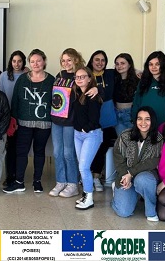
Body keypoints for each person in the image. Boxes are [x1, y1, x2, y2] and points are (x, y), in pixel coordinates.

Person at [3, 49, 55, 194]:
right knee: (21, 152)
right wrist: (14, 120)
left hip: (44, 123)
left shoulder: (52, 80)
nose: (35, 63)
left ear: (44, 61)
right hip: (24, 123)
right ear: (29, 63)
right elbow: (16, 100)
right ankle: (19, 182)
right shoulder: (23, 79)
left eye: (38, 60)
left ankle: (37, 181)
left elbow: (57, 102)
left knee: (39, 152)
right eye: (32, 61)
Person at [111, 106, 163, 221]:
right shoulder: (125, 136)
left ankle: (150, 212)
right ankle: (120, 192)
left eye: (147, 119)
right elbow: (118, 158)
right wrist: (125, 176)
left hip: (146, 175)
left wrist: (131, 173)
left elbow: (153, 161)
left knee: (142, 180)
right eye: (140, 118)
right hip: (125, 175)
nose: (143, 122)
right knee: (123, 212)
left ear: (152, 121)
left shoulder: (158, 138)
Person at [49, 48, 86, 198]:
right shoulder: (59, 76)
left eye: (69, 60)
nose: (66, 63)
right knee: (57, 152)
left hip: (70, 121)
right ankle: (61, 181)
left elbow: (88, 92)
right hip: (56, 119)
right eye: (63, 60)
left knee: (68, 153)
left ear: (76, 60)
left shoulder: (79, 75)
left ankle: (72, 183)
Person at [72, 67, 103, 210]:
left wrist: (85, 128)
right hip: (78, 135)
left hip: (91, 135)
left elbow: (94, 118)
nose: (79, 79)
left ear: (90, 78)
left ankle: (89, 198)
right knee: (83, 167)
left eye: (82, 77)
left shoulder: (93, 95)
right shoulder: (79, 93)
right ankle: (85, 194)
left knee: (83, 167)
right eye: (77, 77)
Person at [87, 50, 118, 192]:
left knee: (103, 144)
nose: (100, 63)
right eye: (96, 60)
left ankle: (96, 176)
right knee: (89, 146)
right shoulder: (86, 75)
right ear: (91, 61)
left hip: (107, 114)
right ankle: (86, 176)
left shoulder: (111, 74)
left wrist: (138, 72)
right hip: (91, 114)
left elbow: (126, 68)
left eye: (103, 60)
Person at [0, 50, 27, 186]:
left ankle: (19, 176)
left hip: (23, 116)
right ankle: (10, 175)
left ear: (23, 62)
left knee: (21, 148)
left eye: (19, 61)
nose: (16, 64)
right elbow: (1, 96)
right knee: (10, 148)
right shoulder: (4, 76)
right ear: (10, 62)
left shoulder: (27, 75)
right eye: (14, 61)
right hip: (9, 117)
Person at [132, 51, 165, 127]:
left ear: (163, 65)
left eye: (157, 64)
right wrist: (135, 120)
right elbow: (136, 103)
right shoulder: (144, 81)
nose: (153, 67)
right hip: (144, 126)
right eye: (151, 64)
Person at [113, 53, 140, 136]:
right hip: (116, 114)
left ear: (129, 64)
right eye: (117, 64)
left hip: (130, 114)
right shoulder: (113, 78)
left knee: (133, 142)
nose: (119, 66)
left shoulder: (137, 79)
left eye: (123, 63)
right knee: (122, 141)